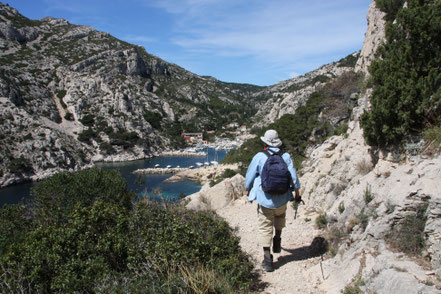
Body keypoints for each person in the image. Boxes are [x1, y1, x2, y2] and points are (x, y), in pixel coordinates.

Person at [245, 129, 301, 272]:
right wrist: (297, 193)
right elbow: (294, 177)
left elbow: (250, 175)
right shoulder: (286, 156)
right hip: (282, 197)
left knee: (265, 226)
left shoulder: (259, 156)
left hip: (265, 198)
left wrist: (247, 189)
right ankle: (277, 239)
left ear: (266, 142)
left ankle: (267, 259)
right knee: (280, 216)